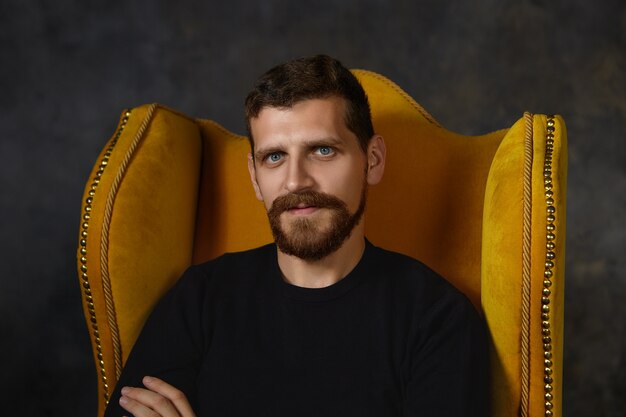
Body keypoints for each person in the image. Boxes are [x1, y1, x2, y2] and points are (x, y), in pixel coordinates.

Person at [104, 55, 488, 417]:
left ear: (372, 160)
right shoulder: (201, 298)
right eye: (274, 157)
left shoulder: (436, 319)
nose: (294, 180)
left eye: (322, 150)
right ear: (255, 177)